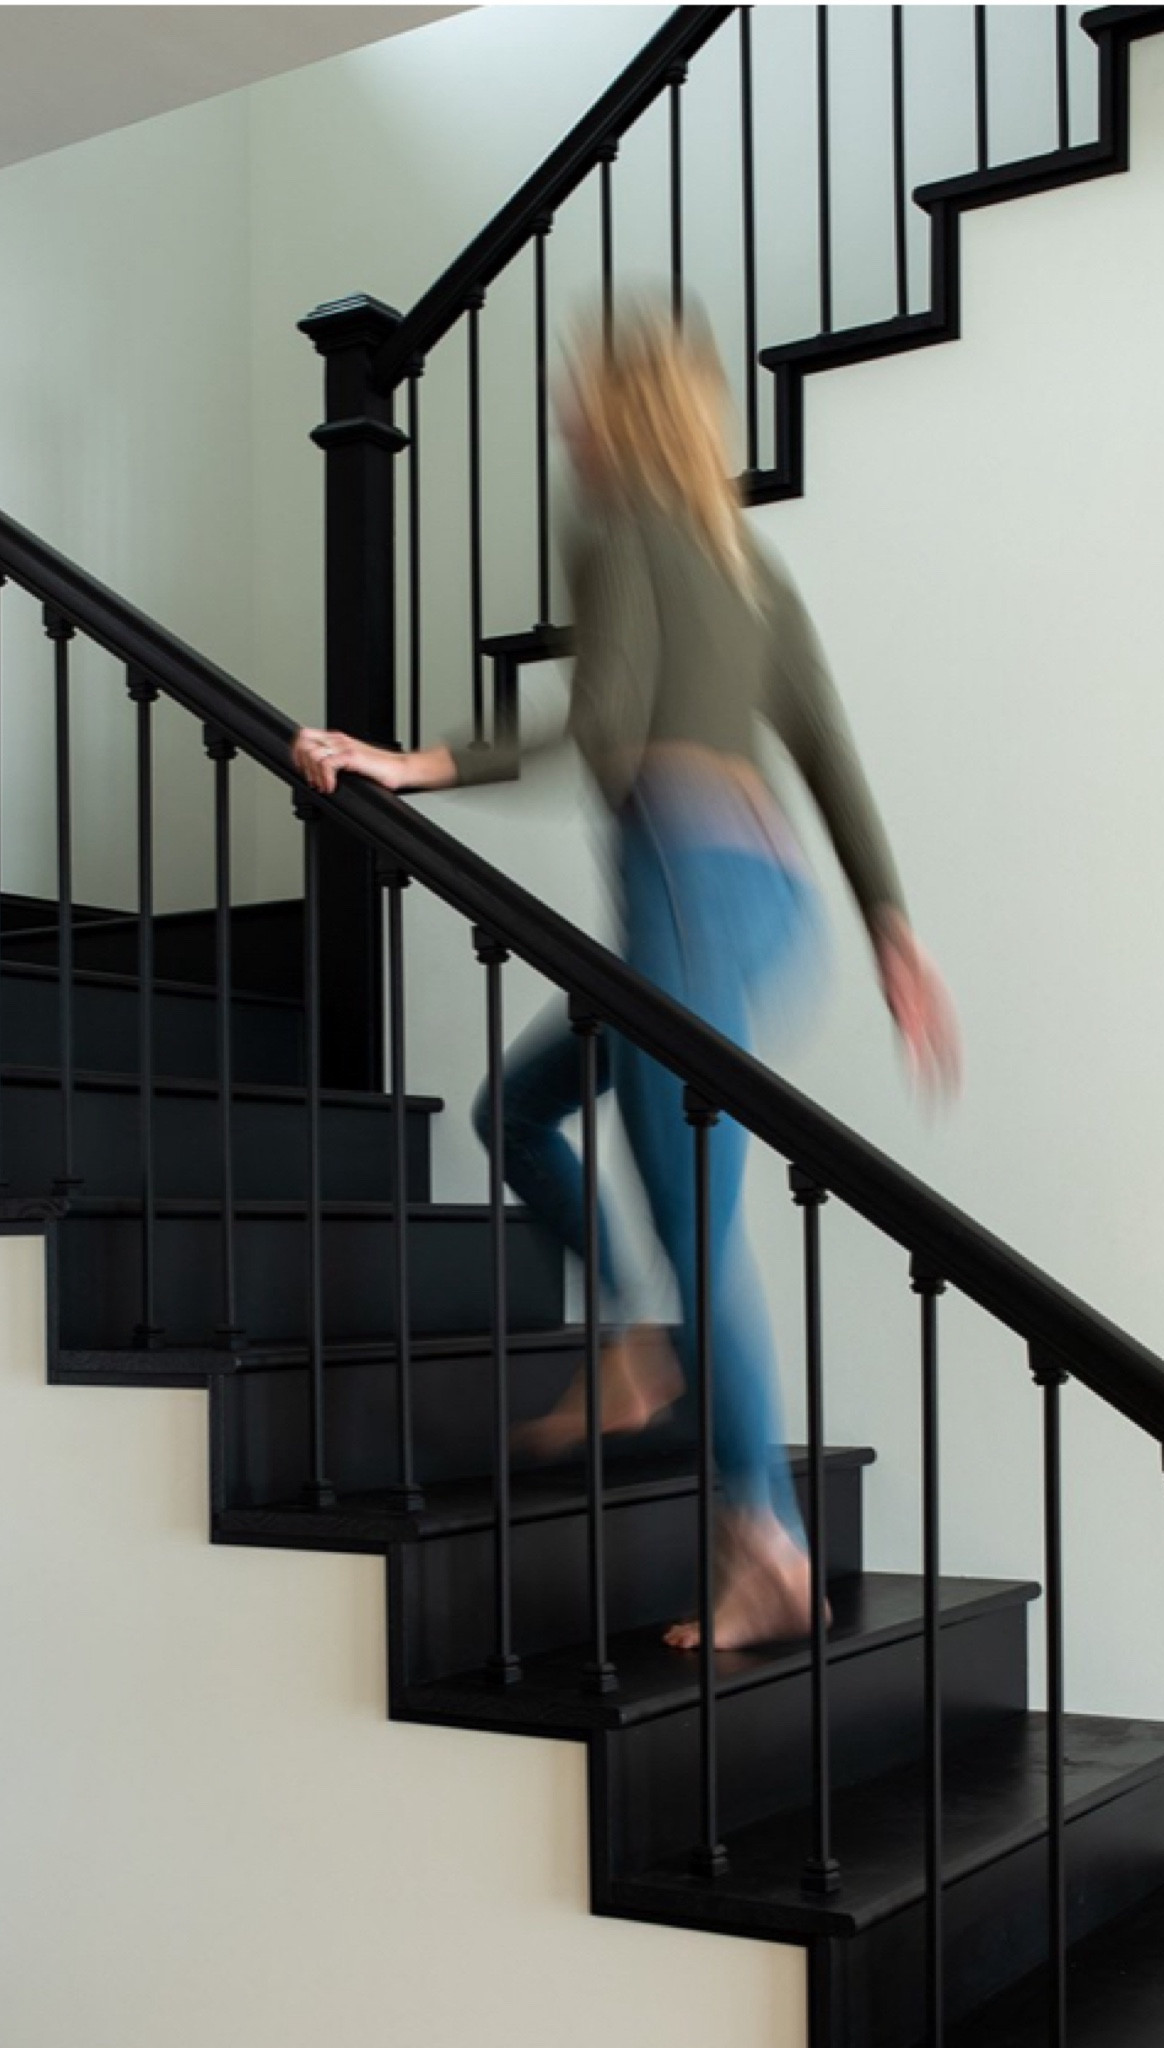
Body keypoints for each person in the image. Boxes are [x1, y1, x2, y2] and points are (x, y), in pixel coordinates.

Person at [294, 306, 959, 1651]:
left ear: (625, 415)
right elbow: (824, 751)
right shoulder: (744, 559)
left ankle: (761, 1538)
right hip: (768, 903)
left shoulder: (621, 536)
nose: (562, 419)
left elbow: (601, 721)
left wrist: (410, 764)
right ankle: (637, 1337)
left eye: (577, 399)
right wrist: (891, 930)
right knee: (516, 1113)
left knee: (699, 1232)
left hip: (685, 893)